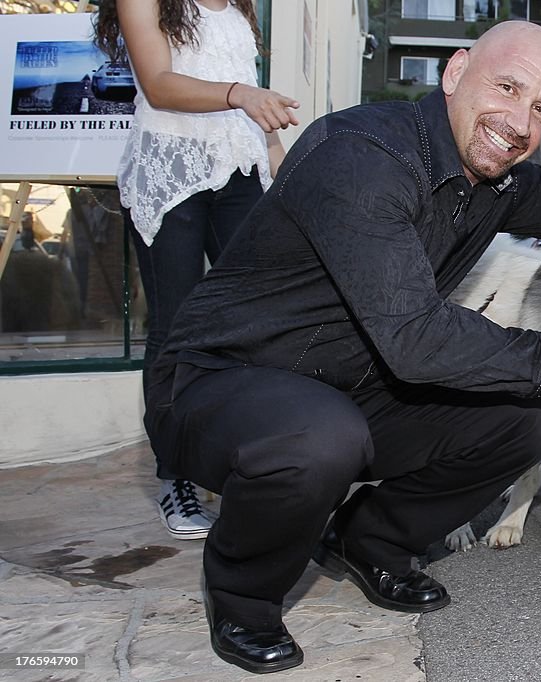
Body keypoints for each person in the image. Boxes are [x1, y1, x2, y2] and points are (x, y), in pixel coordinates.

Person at [143, 20, 541, 675]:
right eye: (506, 87)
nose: (520, 122)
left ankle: (370, 541)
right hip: (220, 385)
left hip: (352, 386)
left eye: (540, 109)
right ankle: (242, 594)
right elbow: (415, 338)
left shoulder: (499, 181)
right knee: (320, 436)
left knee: (524, 419)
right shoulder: (363, 157)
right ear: (454, 72)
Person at [93, 0, 299, 541]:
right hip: (172, 170)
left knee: (252, 325)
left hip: (237, 168)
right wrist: (241, 95)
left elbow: (247, 89)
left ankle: (243, 466)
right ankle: (177, 478)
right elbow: (159, 84)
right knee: (176, 329)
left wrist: (278, 153)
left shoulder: (237, 7)